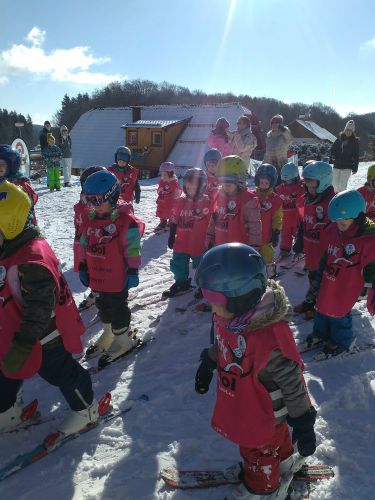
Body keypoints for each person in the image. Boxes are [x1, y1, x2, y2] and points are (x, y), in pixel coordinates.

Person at [194, 243, 317, 500]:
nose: (210, 307)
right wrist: (208, 361)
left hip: (262, 411)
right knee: (272, 441)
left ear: (242, 296)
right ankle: (280, 462)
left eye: (214, 300)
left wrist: (304, 422)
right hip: (246, 402)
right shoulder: (231, 319)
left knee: (256, 448)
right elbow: (225, 346)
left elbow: (292, 381)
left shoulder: (268, 338)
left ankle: (262, 486)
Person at [0, 182, 99, 435]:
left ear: (9, 225)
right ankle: (6, 411)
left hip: (45, 334)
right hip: (15, 328)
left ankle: (86, 407)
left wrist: (24, 343)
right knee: (5, 368)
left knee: (60, 372)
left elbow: (40, 308)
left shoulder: (31, 260)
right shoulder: (11, 247)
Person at [79, 170, 144, 368]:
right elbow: (83, 243)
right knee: (102, 307)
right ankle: (109, 333)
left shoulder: (125, 223)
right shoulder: (89, 219)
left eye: (96, 200)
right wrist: (83, 266)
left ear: (112, 196)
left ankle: (123, 339)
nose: (92, 206)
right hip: (97, 276)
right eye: (87, 200)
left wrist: (132, 271)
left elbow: (133, 249)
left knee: (117, 308)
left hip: (116, 278)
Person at [304, 190, 375, 359]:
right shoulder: (335, 229)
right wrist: (318, 274)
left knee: (339, 314)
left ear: (357, 219)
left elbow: (373, 267)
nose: (338, 226)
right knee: (321, 307)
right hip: (329, 278)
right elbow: (326, 254)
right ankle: (320, 334)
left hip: (347, 285)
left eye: (343, 223)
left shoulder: (368, 239)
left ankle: (343, 343)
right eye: (336, 222)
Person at [293, 161, 336, 320]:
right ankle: (310, 301)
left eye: (312, 186)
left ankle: (320, 306)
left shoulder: (332, 202)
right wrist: (299, 242)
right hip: (311, 250)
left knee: (323, 282)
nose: (309, 189)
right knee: (312, 279)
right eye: (307, 186)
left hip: (325, 253)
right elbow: (304, 222)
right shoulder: (307, 199)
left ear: (323, 183)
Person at [162, 168, 212, 299]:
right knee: (178, 263)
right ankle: (181, 282)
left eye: (194, 188)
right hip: (182, 242)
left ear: (202, 187)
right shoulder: (180, 201)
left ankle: (205, 286)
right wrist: (172, 235)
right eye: (188, 188)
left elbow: (212, 222)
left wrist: (212, 239)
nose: (190, 191)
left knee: (202, 265)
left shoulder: (207, 202)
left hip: (199, 242)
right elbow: (174, 219)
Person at [205, 155, 262, 250]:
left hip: (240, 249)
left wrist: (254, 247)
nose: (224, 187)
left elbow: (254, 225)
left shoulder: (248, 200)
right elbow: (214, 218)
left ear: (239, 181)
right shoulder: (219, 196)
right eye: (222, 184)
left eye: (228, 184)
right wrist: (210, 237)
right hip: (220, 246)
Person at [73, 166, 106, 313]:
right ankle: (96, 292)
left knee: (101, 269)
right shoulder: (82, 203)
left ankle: (106, 296)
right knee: (89, 270)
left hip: (99, 244)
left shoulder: (104, 206)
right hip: (83, 243)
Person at [253, 164, 283, 278]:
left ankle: (271, 274)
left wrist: (276, 231)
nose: (263, 185)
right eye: (261, 182)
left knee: (268, 255)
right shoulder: (252, 196)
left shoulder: (275, 199)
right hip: (252, 236)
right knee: (252, 255)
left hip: (266, 235)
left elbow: (277, 217)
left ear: (272, 183)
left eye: (266, 183)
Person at [0, 144, 38, 223]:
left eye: (2, 164)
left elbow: (31, 201)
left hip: (21, 224)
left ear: (12, 165)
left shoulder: (20, 183)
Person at [275, 162, 305, 258]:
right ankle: (285, 249)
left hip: (297, 218)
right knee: (285, 235)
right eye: (286, 180)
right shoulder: (279, 189)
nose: (288, 183)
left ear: (296, 178)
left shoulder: (302, 187)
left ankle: (300, 250)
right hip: (285, 219)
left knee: (298, 235)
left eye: (290, 180)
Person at [330, 120, 359, 193]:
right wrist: (333, 155)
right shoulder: (339, 139)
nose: (348, 132)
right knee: (334, 184)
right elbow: (333, 148)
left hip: (347, 167)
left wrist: (355, 168)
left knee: (342, 186)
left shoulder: (354, 142)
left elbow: (356, 155)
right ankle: (335, 198)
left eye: (350, 131)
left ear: (352, 132)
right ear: (344, 130)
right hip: (337, 165)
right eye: (347, 130)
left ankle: (341, 199)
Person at [155, 161, 182, 232]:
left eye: (165, 175)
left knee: (171, 212)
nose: (163, 176)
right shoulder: (162, 182)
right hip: (162, 200)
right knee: (161, 211)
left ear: (170, 174)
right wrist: (160, 190)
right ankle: (163, 222)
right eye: (162, 175)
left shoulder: (174, 183)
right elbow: (158, 190)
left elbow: (178, 190)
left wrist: (176, 197)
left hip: (170, 201)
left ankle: (171, 222)